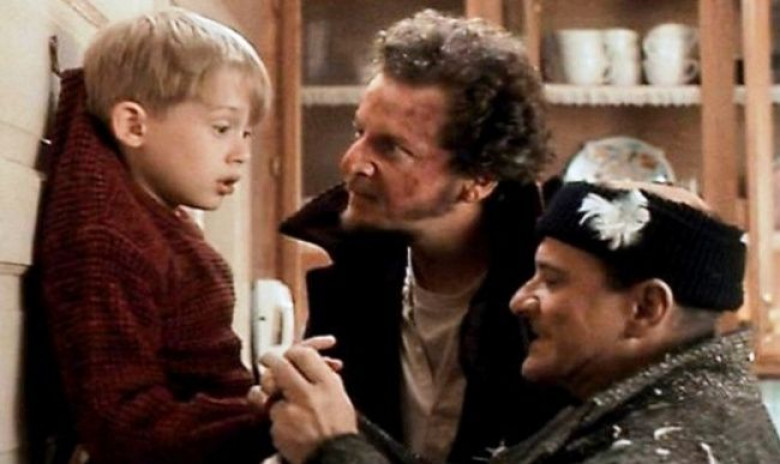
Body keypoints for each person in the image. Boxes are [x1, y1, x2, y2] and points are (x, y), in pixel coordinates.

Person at [262, 180, 780, 463]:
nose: (520, 300)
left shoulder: (675, 447)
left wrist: (334, 449)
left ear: (646, 308)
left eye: (552, 281)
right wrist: (331, 418)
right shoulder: (647, 405)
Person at [278, 9, 571, 464]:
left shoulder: (554, 306)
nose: (353, 162)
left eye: (392, 147)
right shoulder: (350, 276)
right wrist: (281, 412)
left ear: (479, 178)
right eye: (359, 132)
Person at [36, 9, 274, 464]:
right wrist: (267, 419)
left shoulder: (158, 222)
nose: (242, 153)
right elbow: (122, 424)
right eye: (222, 128)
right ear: (134, 125)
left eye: (246, 133)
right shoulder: (107, 240)